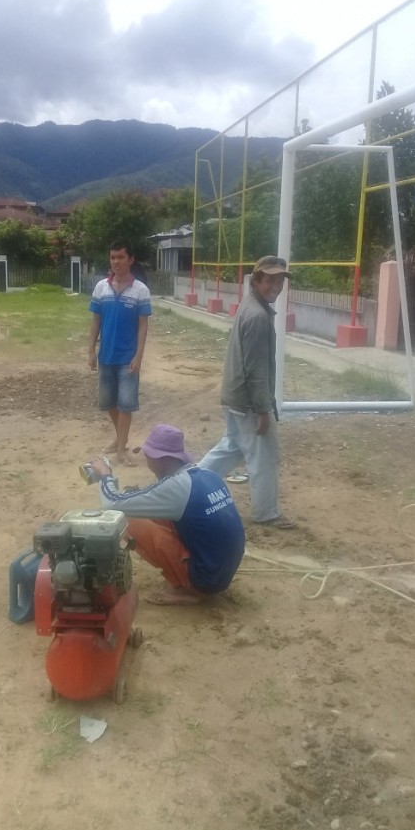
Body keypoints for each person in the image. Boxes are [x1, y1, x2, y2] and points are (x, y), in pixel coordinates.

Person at [88, 424, 246, 605]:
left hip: (205, 580)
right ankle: (191, 576)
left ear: (161, 459)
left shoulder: (176, 487)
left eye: (148, 457)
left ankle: (188, 589)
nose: (147, 463)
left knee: (129, 519)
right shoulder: (207, 474)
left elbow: (112, 504)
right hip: (223, 570)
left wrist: (105, 475)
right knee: (151, 512)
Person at [199, 255, 295, 529]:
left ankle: (191, 483)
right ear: (257, 281)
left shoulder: (253, 306)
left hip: (236, 397)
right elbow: (256, 369)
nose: (276, 286)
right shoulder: (257, 316)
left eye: (280, 280)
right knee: (264, 456)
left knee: (231, 447)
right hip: (247, 402)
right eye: (270, 280)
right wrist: (263, 409)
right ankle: (266, 512)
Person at [88, 239, 152, 467]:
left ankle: (121, 449)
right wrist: (90, 351)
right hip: (106, 356)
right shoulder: (101, 288)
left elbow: (143, 324)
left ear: (130, 259)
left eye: (121, 257)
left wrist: (139, 356)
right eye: (113, 257)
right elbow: (96, 320)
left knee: (126, 404)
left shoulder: (140, 290)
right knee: (108, 403)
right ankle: (120, 438)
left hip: (128, 358)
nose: (116, 261)